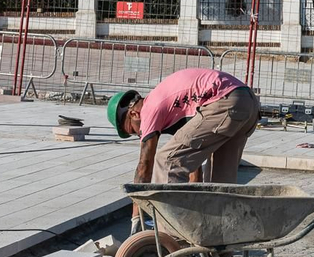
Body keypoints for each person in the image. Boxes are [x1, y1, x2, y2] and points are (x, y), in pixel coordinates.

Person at [109, 68, 261, 186]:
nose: (139, 135)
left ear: (134, 114)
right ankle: (217, 225)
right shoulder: (172, 109)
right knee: (219, 182)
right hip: (247, 101)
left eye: (133, 130)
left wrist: (136, 217)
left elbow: (144, 167)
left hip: (225, 101)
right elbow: (193, 164)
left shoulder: (148, 109)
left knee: (166, 161)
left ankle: (168, 226)